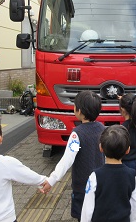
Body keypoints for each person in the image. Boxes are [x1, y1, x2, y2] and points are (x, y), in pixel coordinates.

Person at [41, 90, 105, 221]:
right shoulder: (103, 129)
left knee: (83, 216)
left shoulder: (77, 134)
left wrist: (52, 180)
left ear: (79, 111)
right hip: (100, 184)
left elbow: (67, 160)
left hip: (82, 187)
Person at [81, 125, 136, 222]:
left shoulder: (95, 176)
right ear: (128, 150)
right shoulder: (132, 176)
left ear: (101, 148)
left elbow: (87, 209)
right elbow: (134, 207)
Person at [119, 93, 136, 220]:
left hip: (126, 161)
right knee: (133, 185)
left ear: (122, 110)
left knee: (126, 188)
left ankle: (133, 211)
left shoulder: (123, 128)